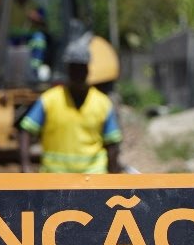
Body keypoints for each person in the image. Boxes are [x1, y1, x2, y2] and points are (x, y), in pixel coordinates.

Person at [18, 34, 123, 174]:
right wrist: (26, 167)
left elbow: (112, 143)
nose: (78, 74)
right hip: (54, 181)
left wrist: (114, 180)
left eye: (81, 69)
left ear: (87, 70)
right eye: (74, 68)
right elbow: (26, 130)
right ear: (68, 70)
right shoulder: (49, 100)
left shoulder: (102, 103)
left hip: (93, 181)